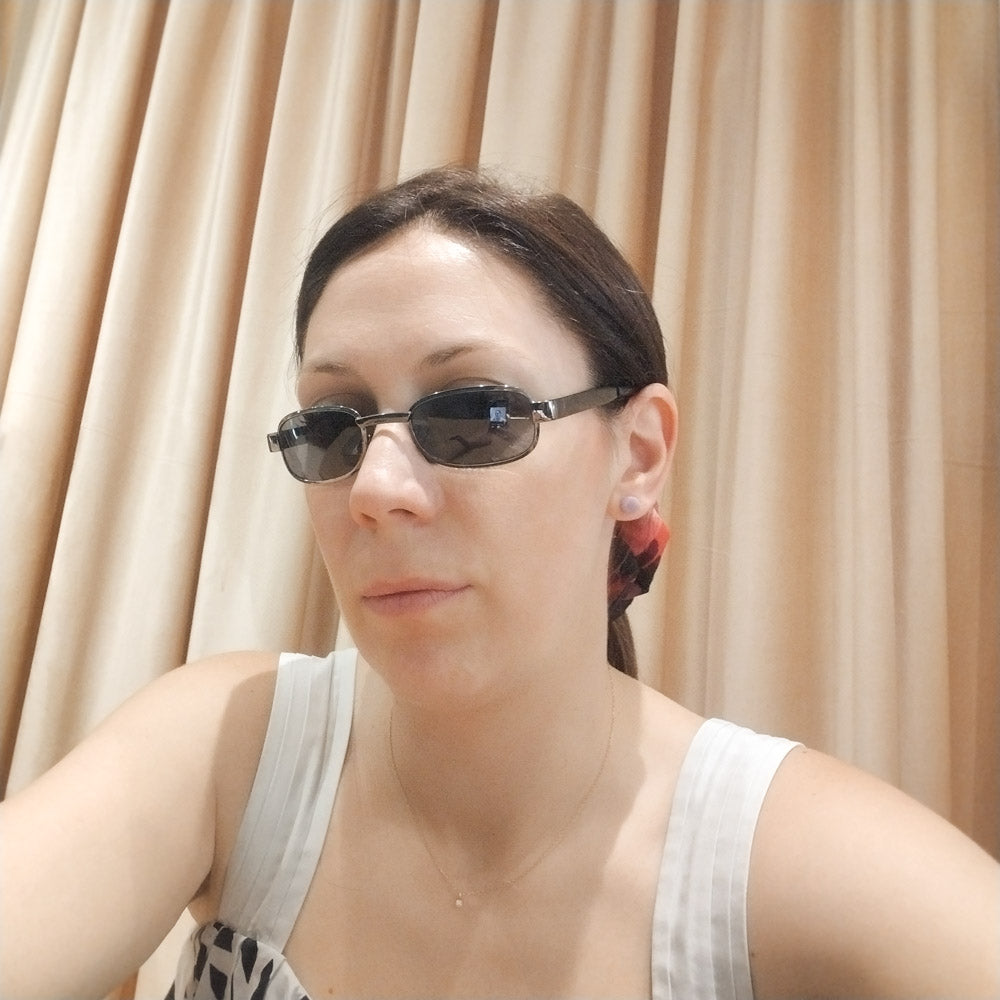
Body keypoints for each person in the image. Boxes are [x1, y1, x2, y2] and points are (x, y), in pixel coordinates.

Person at [1, 165, 997, 1000]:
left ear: (638, 455)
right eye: (331, 426)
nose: (375, 490)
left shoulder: (779, 867)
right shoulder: (236, 754)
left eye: (474, 414)